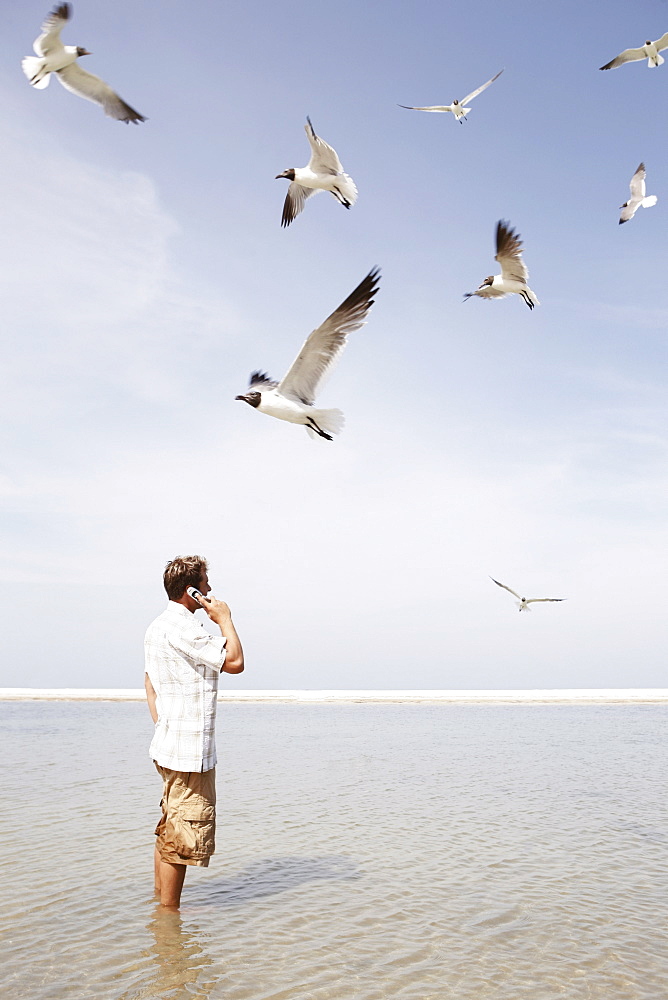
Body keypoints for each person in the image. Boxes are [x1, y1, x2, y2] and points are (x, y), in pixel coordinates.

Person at [144, 555, 244, 908]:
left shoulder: (156, 627)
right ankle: (170, 925)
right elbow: (235, 662)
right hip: (188, 753)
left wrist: (163, 723)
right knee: (183, 836)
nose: (210, 589)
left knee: (171, 824)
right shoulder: (185, 628)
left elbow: (149, 683)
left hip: (167, 744)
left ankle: (160, 906)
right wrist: (225, 619)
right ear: (191, 590)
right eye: (205, 583)